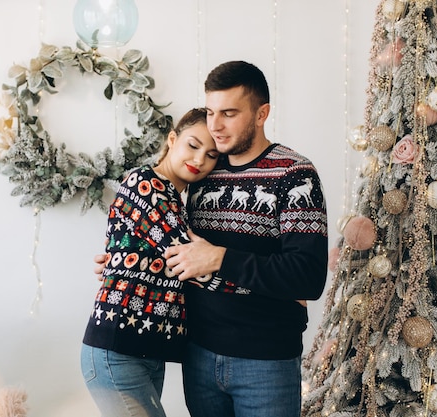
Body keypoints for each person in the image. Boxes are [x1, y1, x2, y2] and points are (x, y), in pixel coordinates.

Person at [163, 61, 328, 417]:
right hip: (199, 355)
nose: (215, 126)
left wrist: (222, 258)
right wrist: (124, 260)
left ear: (261, 113)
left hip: (265, 361)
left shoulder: (294, 174)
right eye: (210, 112)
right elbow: (181, 246)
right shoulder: (203, 170)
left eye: (229, 113)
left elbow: (309, 276)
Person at [81, 108, 220, 417]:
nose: (199, 160)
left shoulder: (177, 200)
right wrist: (263, 284)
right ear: (172, 139)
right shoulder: (146, 183)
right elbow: (187, 257)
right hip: (117, 348)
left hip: (146, 349)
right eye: (193, 145)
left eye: (211, 154)